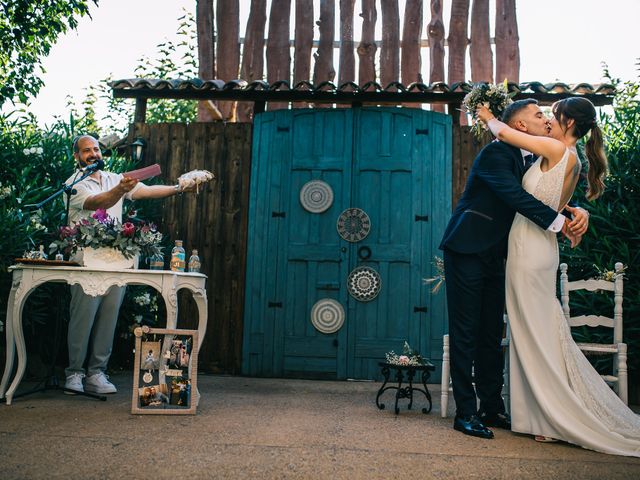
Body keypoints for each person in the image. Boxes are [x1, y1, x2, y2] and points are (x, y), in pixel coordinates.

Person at [477, 98, 640, 456]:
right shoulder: (574, 159)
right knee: (537, 328)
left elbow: (504, 132)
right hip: (542, 247)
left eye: (552, 114)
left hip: (528, 247)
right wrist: (575, 210)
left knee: (532, 330)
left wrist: (487, 115)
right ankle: (538, 413)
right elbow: (546, 198)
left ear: (567, 121)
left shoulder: (553, 148)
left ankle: (549, 415)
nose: (548, 119)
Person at [439, 99, 589, 439]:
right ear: (520, 127)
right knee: (466, 332)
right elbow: (513, 195)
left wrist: (576, 210)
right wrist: (559, 223)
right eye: (538, 116)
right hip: (467, 248)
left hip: (499, 255)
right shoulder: (496, 154)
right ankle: (465, 413)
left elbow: (540, 189)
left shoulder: (533, 158)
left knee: (491, 333)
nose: (545, 120)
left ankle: (491, 407)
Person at [64, 135, 197, 395]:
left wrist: (179, 188)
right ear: (77, 157)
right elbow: (98, 202)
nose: (93, 154)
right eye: (86, 150)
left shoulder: (116, 178)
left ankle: (97, 373)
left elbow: (147, 191)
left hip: (116, 261)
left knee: (108, 318)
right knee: (83, 318)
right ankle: (74, 374)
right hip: (86, 262)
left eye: (96, 149)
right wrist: (121, 190)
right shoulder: (74, 184)